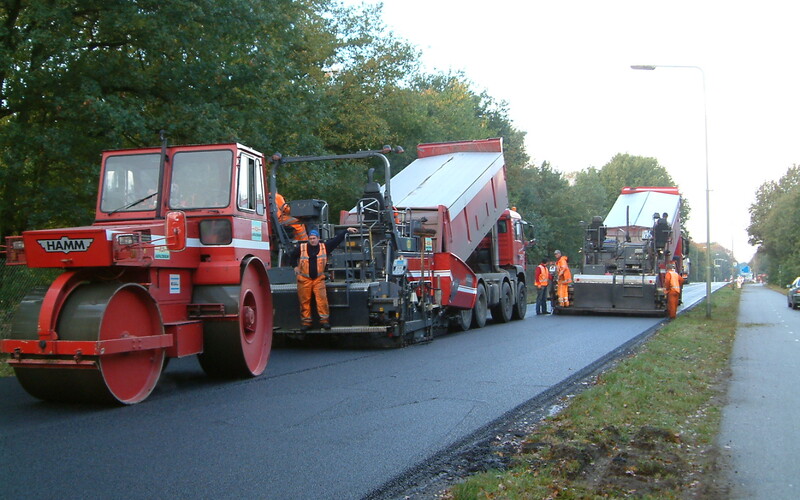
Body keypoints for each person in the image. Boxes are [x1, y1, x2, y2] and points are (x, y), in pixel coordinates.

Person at [290, 227, 358, 331]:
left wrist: (346, 231)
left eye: (314, 238)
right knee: (304, 302)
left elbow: (336, 240)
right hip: (304, 279)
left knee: (322, 300)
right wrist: (294, 266)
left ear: (318, 238)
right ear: (308, 239)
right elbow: (292, 256)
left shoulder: (324, 247)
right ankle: (306, 323)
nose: (312, 240)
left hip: (318, 279)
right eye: (311, 238)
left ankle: (324, 321)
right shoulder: (301, 248)